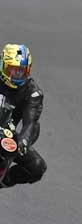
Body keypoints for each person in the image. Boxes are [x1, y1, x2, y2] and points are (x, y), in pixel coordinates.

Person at [0, 44, 47, 188]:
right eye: (13, 70)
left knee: (36, 166)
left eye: (21, 71)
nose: (17, 75)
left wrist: (23, 141)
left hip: (5, 133)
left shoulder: (33, 93)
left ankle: (3, 180)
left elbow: (30, 122)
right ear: (3, 65)